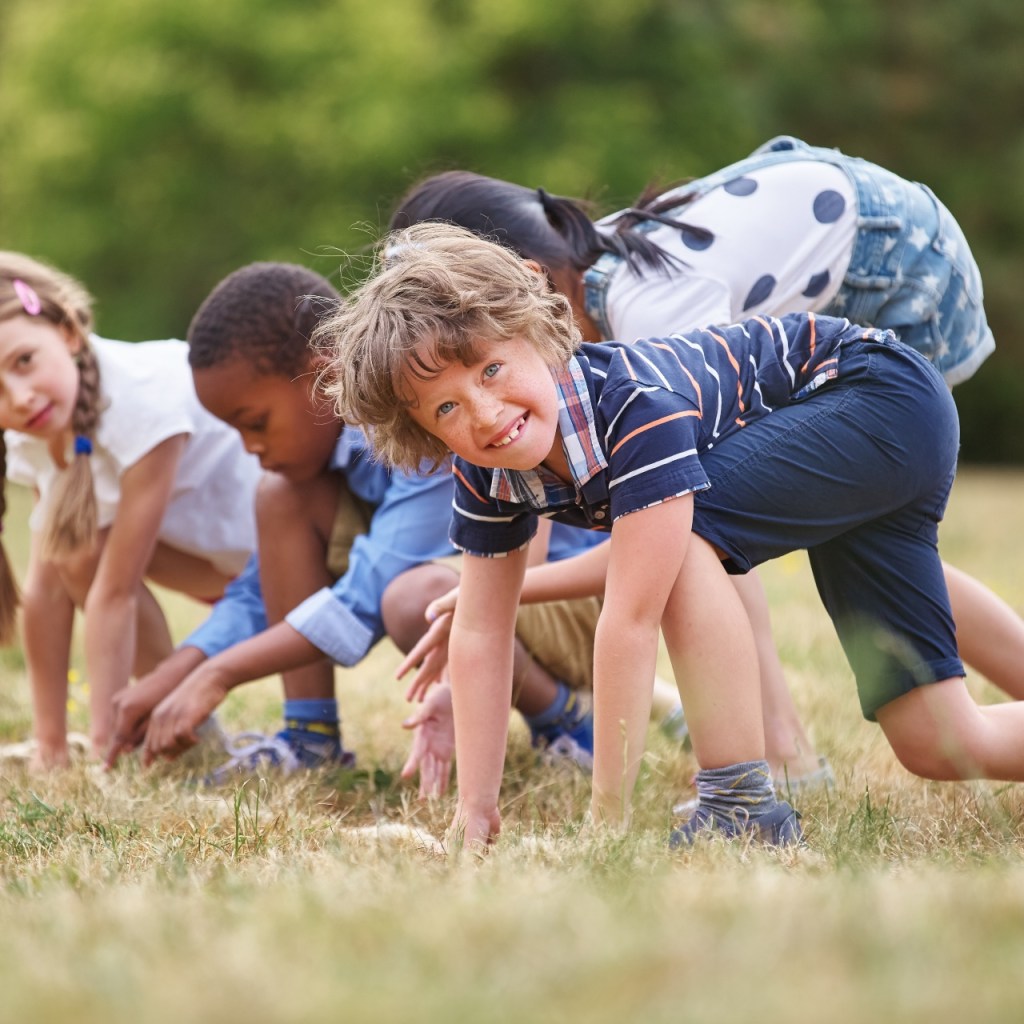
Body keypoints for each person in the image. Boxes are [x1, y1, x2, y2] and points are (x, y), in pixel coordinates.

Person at [321, 223, 1024, 852]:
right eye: (447, 406)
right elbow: (480, 630)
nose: (484, 412)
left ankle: (740, 805)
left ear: (532, 331)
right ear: (422, 431)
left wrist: (606, 827)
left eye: (492, 369)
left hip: (877, 395)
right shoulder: (488, 468)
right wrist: (475, 809)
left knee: (686, 535)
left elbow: (632, 616)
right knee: (937, 741)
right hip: (884, 425)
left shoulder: (635, 408)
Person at [106, 262, 607, 788]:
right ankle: (309, 737)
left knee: (414, 599)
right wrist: (174, 672)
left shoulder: (422, 419)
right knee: (279, 496)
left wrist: (219, 674)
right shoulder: (319, 476)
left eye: (256, 423)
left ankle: (566, 722)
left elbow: (364, 598)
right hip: (486, 602)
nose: (251, 448)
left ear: (324, 376)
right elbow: (260, 593)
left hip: (563, 602)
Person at [0, 252, 261, 767]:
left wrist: (103, 750)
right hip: (205, 563)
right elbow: (47, 589)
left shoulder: (142, 405)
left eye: (24, 362)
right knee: (71, 552)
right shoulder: (35, 430)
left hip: (269, 568)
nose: (20, 398)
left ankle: (145, 729)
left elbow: (114, 595)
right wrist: (50, 745)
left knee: (89, 555)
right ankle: (160, 723)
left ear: (68, 332)